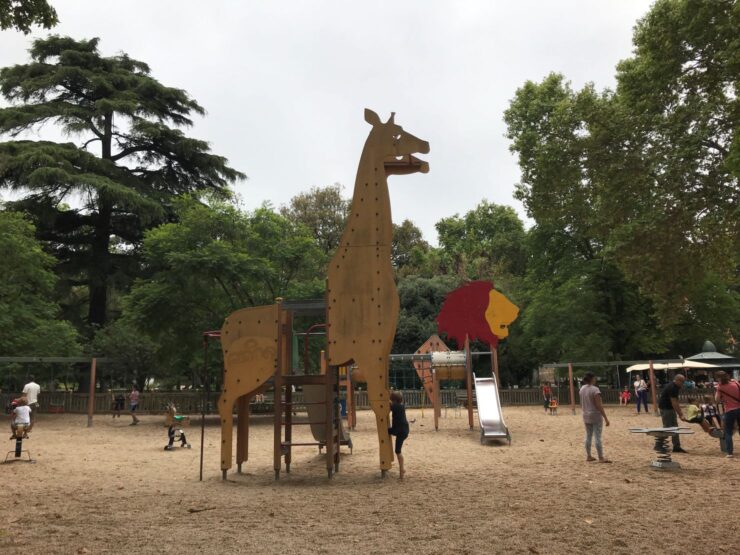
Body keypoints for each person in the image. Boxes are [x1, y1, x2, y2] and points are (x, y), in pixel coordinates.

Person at [579, 372, 610, 463]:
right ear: (592, 379)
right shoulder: (595, 390)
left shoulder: (582, 389)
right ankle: (600, 457)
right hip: (595, 415)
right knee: (597, 436)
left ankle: (588, 455)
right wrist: (605, 417)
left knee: (588, 436)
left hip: (585, 414)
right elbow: (599, 405)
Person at [658, 374, 687, 453]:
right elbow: (674, 402)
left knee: (675, 427)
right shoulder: (672, 388)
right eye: (682, 382)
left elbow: (675, 402)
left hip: (669, 408)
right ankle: (659, 444)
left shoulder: (675, 386)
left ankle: (676, 446)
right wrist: (680, 414)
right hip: (666, 408)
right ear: (677, 380)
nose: (683, 384)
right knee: (667, 427)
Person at [715, 371, 740, 459]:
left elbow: (717, 400)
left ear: (718, 378)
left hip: (729, 410)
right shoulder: (736, 383)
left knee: (728, 431)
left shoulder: (720, 387)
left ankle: (730, 453)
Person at [387, 391, 409, 479]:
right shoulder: (401, 406)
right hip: (403, 430)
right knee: (397, 450)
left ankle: (402, 470)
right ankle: (402, 469)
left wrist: (386, 398)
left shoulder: (396, 406)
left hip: (399, 431)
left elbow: (389, 405)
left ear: (394, 400)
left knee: (398, 451)